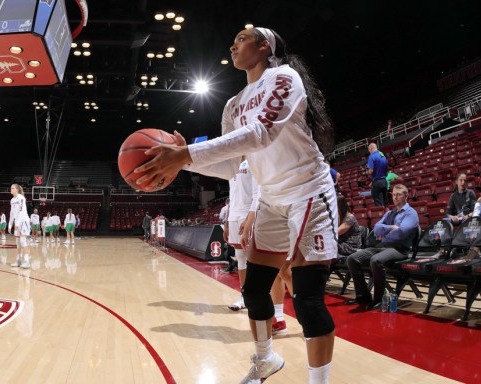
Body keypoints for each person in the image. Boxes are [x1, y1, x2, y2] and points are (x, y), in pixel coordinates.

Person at [133, 27, 337, 384]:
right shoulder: (233, 104)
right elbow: (233, 165)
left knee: (307, 300)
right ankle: (265, 359)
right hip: (271, 198)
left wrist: (186, 153)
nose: (233, 44)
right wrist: (185, 161)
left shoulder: (284, 78)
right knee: (254, 291)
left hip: (308, 191)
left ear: (264, 46)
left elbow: (260, 134)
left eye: (242, 38)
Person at [345, 184, 418, 310]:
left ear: (406, 196)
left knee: (376, 260)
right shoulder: (390, 213)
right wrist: (390, 228)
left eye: (399, 194)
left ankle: (378, 299)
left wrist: (386, 233)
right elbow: (376, 229)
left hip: (399, 249)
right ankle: (363, 296)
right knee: (352, 259)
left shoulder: (411, 213)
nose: (395, 197)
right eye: (394, 194)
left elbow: (401, 233)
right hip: (382, 246)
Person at [226, 157, 260, 312]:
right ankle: (244, 296)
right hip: (233, 215)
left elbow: (256, 194)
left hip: (248, 213)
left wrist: (248, 220)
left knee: (254, 258)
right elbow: (231, 196)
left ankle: (260, 295)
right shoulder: (231, 164)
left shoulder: (254, 160)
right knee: (240, 259)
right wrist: (227, 220)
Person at [8, 184, 31, 268]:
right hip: (17, 222)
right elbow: (12, 213)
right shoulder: (12, 200)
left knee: (22, 241)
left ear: (17, 189)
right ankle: (18, 261)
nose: (11, 189)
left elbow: (21, 211)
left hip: (23, 221)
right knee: (18, 243)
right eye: (11, 188)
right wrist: (10, 224)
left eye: (12, 188)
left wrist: (17, 223)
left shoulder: (21, 198)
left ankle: (27, 261)